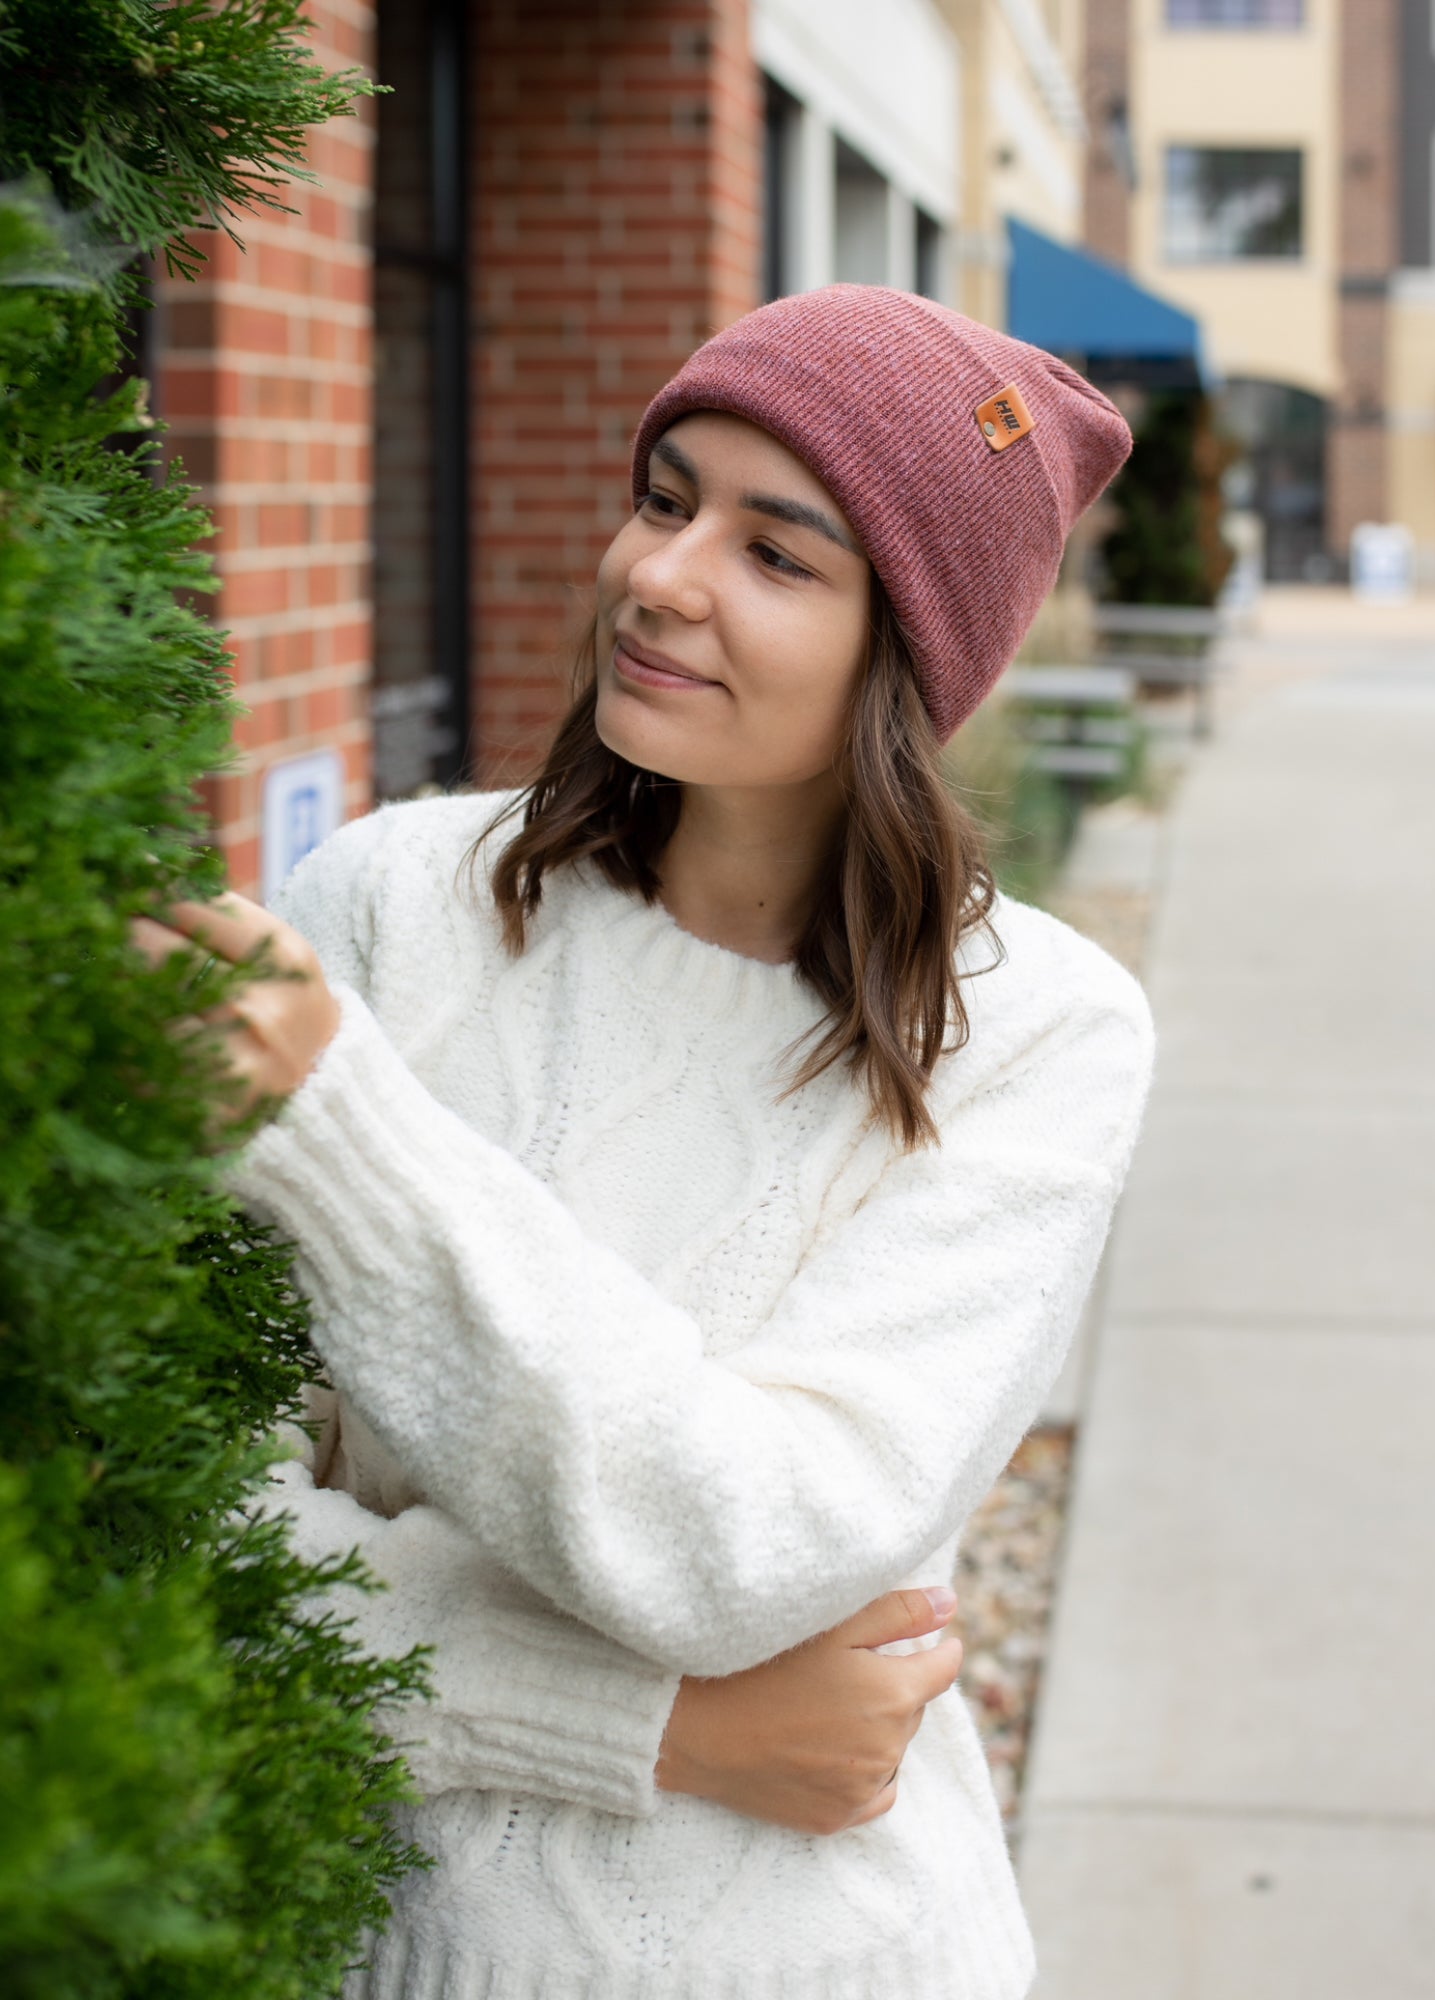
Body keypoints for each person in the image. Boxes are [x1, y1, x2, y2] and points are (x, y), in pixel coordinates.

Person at [133, 285, 1153, 2000]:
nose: (661, 577)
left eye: (777, 553)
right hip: (353, 1947)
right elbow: (174, 1523)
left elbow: (747, 1543)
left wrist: (339, 1134)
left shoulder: (1038, 1032)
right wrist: (654, 1722)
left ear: (905, 651)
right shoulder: (389, 905)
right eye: (665, 500)